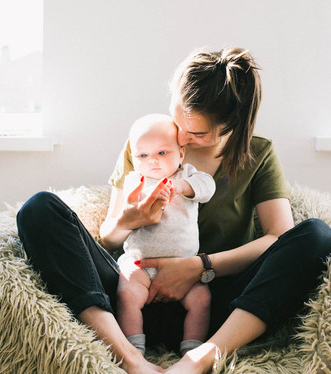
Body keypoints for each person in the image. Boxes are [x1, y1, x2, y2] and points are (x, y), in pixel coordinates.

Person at [16, 46, 331, 374]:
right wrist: (129, 220)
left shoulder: (259, 154)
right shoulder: (148, 143)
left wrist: (198, 268)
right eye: (176, 119)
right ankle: (126, 355)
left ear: (231, 127)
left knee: (317, 235)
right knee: (39, 209)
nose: (180, 137)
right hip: (131, 293)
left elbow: (278, 237)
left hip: (213, 306)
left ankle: (200, 359)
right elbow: (108, 239)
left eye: (196, 133)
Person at [116, 113, 215, 357]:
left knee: (202, 299)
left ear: (181, 154)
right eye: (143, 155)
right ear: (133, 158)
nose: (153, 162)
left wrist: (182, 187)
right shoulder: (135, 181)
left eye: (162, 153)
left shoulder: (186, 176)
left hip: (184, 266)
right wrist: (138, 200)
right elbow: (126, 206)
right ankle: (134, 349)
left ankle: (191, 350)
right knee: (126, 295)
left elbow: (207, 187)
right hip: (140, 265)